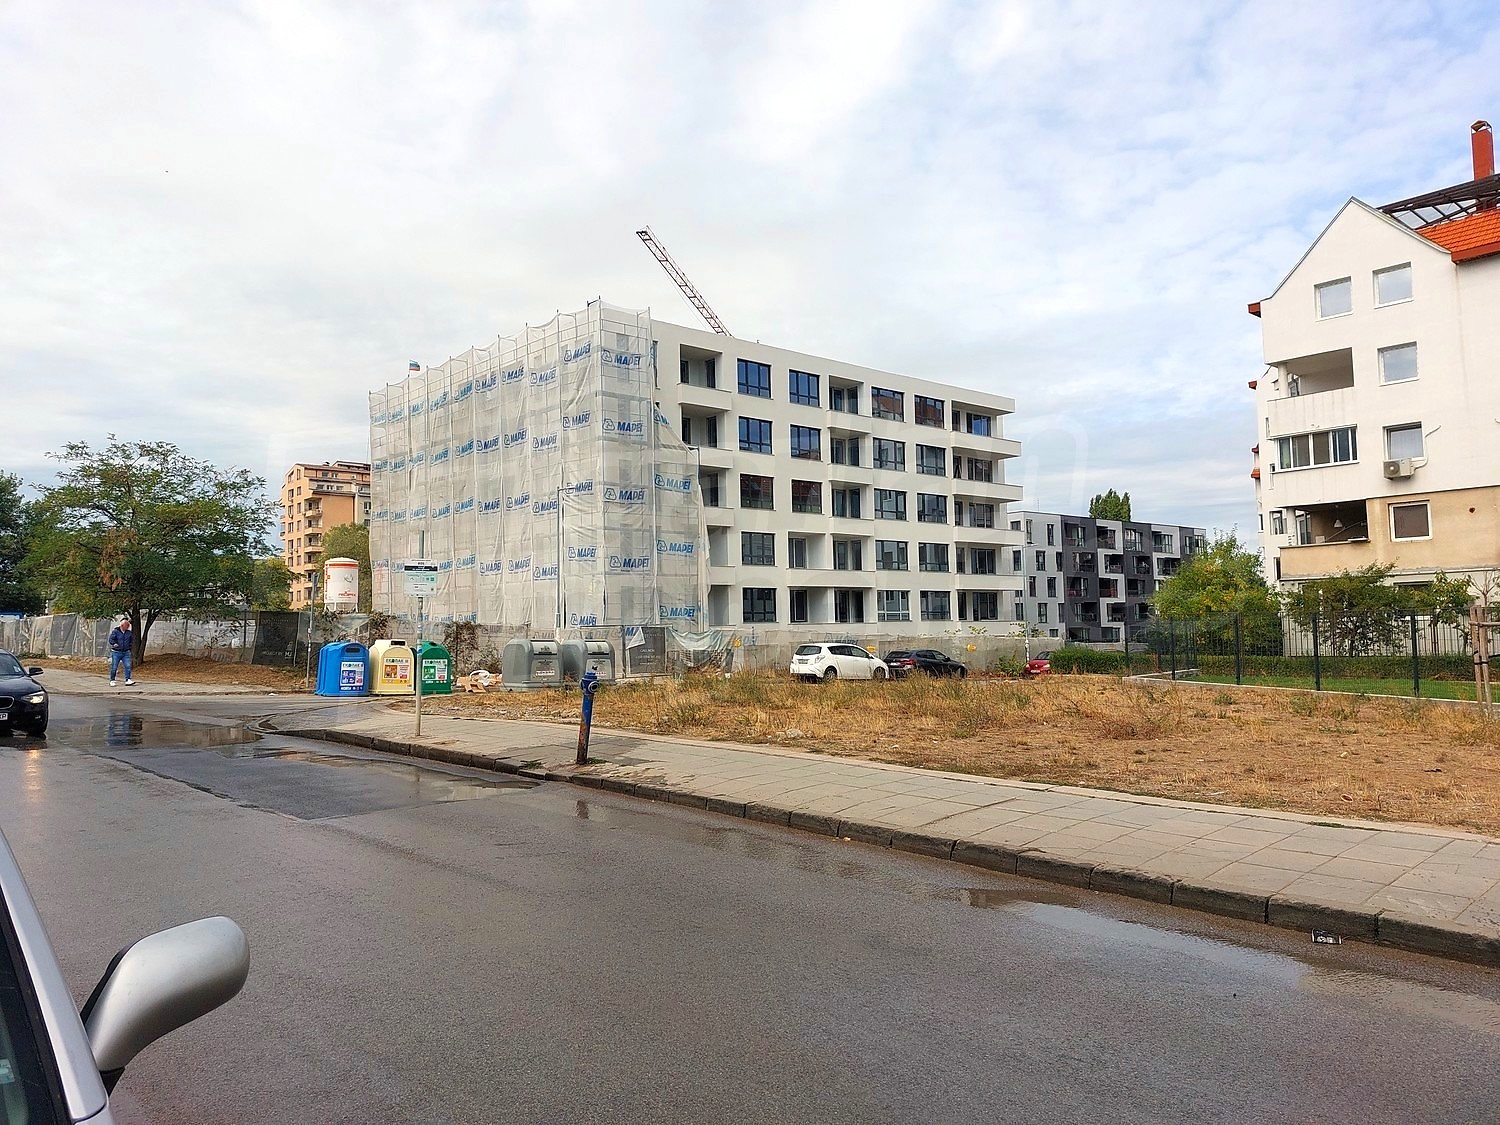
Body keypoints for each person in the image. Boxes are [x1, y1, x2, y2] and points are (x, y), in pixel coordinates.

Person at [107, 617, 136, 686]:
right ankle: (112, 680)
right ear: (122, 626)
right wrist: (114, 643)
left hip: (126, 652)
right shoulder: (116, 631)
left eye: (128, 625)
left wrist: (129, 647)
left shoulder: (129, 633)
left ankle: (128, 679)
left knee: (128, 666)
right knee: (114, 667)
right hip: (116, 652)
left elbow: (131, 641)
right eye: (127, 625)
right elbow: (111, 639)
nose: (128, 627)